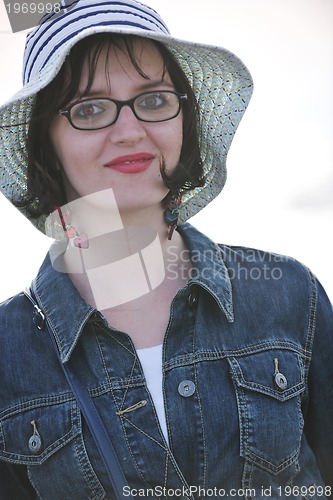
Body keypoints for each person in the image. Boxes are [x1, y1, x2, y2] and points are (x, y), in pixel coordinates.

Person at [0, 0, 332, 498]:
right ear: (46, 143)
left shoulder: (290, 295)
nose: (130, 131)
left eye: (153, 100)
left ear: (184, 120)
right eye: (89, 109)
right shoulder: (8, 351)